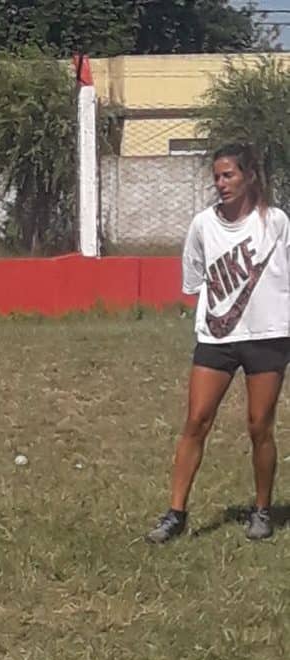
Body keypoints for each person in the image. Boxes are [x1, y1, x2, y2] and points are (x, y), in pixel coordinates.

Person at [147, 143, 290, 543]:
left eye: (229, 175)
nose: (221, 183)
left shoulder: (276, 222)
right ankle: (176, 514)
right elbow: (194, 278)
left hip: (267, 336)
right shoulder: (203, 225)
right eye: (216, 177)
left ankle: (261, 510)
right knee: (196, 421)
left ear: (249, 176)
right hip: (217, 337)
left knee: (259, 425)